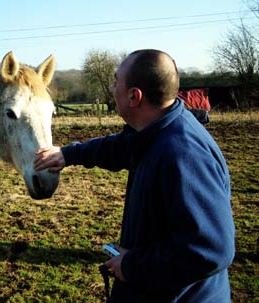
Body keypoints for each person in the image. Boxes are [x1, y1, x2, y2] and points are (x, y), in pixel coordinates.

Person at [34, 49, 235, 302]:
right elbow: (120, 147)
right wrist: (68, 154)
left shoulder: (184, 154)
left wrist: (132, 266)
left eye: (116, 80)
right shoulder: (157, 131)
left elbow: (211, 249)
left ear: (133, 96)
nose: (112, 86)